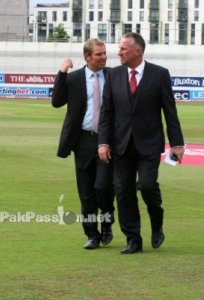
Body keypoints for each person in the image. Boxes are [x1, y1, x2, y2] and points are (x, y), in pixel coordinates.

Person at [98, 32, 185, 254]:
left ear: (138, 50)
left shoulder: (160, 74)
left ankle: (157, 223)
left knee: (147, 186)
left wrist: (177, 143)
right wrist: (103, 143)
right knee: (123, 192)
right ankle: (133, 239)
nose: (118, 53)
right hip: (121, 144)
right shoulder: (113, 75)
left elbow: (169, 111)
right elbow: (106, 113)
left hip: (149, 143)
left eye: (123, 49)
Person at [51, 38, 115, 250]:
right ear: (87, 57)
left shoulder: (114, 76)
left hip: (107, 140)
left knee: (103, 187)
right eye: (99, 54)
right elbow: (57, 102)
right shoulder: (75, 78)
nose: (103, 57)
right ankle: (92, 234)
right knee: (86, 190)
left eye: (104, 53)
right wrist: (61, 74)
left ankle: (107, 224)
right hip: (83, 140)